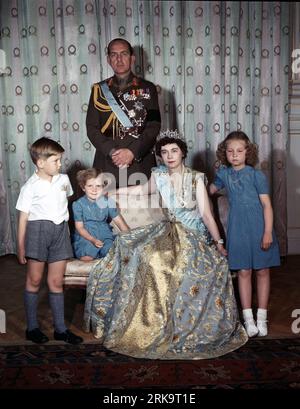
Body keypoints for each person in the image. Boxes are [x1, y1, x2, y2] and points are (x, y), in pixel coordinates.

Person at [84, 130, 248, 360]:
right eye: (164, 152)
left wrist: (219, 242)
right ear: (160, 155)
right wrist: (111, 193)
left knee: (181, 265)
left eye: (174, 151)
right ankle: (150, 324)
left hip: (193, 236)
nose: (169, 156)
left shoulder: (195, 178)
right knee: (146, 256)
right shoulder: (159, 175)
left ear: (182, 153)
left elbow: (207, 215)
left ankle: (181, 328)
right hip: (167, 230)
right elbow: (141, 190)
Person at [209, 131, 281, 338]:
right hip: (237, 229)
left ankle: (262, 318)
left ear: (247, 152)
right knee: (243, 272)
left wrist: (267, 232)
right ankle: (248, 319)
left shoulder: (256, 175)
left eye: (239, 151)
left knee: (263, 271)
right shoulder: (224, 174)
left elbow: (267, 205)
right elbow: (210, 190)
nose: (234, 155)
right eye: (230, 151)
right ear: (225, 153)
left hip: (259, 227)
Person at [16, 137, 83, 344]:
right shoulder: (30, 186)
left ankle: (60, 329)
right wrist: (20, 246)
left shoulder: (64, 180)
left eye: (60, 160)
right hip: (38, 231)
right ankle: (32, 327)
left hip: (60, 231)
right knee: (35, 280)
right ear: (40, 163)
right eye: (56, 160)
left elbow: (65, 204)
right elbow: (23, 218)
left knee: (55, 282)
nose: (60, 164)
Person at [86, 38, 161, 188]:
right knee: (106, 208)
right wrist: (113, 152)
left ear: (132, 58)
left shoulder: (148, 88)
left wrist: (132, 152)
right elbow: (91, 128)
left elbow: (154, 125)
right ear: (108, 60)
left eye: (124, 54)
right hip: (108, 162)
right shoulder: (99, 90)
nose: (119, 59)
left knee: (141, 209)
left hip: (139, 160)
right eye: (114, 55)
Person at [72, 168, 129, 260]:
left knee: (113, 254)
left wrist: (131, 238)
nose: (94, 189)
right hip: (87, 237)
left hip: (105, 235)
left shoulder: (109, 202)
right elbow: (79, 228)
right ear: (83, 187)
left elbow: (119, 222)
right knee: (87, 256)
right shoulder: (78, 204)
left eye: (98, 186)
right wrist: (92, 240)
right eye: (90, 186)